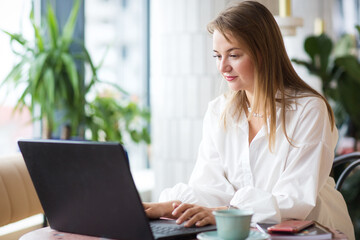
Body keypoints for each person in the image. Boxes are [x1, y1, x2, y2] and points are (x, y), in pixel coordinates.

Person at [143, 1, 355, 239]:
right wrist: (170, 207)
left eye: (233, 55)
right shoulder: (219, 111)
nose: (223, 66)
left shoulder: (309, 110)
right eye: (217, 55)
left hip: (312, 231)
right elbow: (209, 187)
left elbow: (295, 201)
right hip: (247, 232)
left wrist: (223, 213)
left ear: (263, 53)